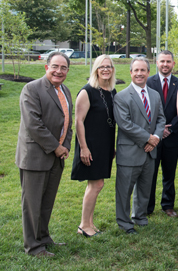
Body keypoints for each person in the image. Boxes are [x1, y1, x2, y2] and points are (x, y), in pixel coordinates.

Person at [16, 52, 72, 257]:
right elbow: (34, 125)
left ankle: (44, 237)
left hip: (56, 157)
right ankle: (33, 247)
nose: (59, 71)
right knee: (32, 205)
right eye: (55, 66)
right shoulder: (31, 89)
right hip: (35, 157)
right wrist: (56, 147)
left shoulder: (64, 90)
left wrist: (65, 144)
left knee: (46, 202)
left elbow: (68, 121)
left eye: (63, 68)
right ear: (46, 67)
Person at [113, 57, 166, 234]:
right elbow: (125, 124)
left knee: (144, 188)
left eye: (143, 70)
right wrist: (148, 139)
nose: (139, 73)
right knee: (124, 190)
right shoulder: (121, 96)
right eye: (136, 70)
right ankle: (125, 223)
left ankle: (140, 217)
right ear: (130, 72)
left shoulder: (154, 95)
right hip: (130, 152)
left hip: (150, 152)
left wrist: (156, 138)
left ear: (148, 73)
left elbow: (160, 119)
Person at [71, 55, 117, 237]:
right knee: (95, 184)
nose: (105, 69)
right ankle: (84, 225)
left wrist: (111, 147)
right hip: (90, 145)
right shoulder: (87, 91)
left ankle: (89, 223)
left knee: (97, 184)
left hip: (104, 145)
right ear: (96, 69)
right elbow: (79, 121)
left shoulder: (112, 91)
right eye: (101, 66)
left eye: (109, 66)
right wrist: (83, 147)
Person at [147, 50, 178, 217]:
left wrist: (170, 128)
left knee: (169, 174)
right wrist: (158, 129)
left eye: (168, 61)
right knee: (150, 173)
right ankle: (147, 207)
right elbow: (145, 109)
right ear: (157, 62)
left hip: (173, 136)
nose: (165, 64)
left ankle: (168, 205)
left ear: (173, 64)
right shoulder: (148, 83)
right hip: (152, 137)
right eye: (162, 61)